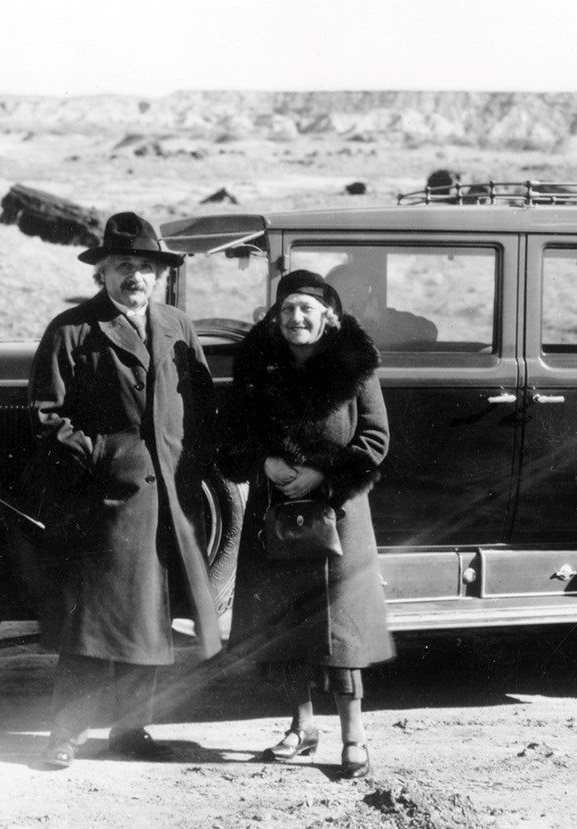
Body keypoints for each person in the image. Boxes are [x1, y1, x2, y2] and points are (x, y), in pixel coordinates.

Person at [25, 211, 221, 769]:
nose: (134, 276)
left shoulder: (177, 326)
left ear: (159, 275)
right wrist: (100, 456)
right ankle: (65, 735)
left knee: (150, 613)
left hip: (169, 495)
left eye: (144, 267)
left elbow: (201, 403)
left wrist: (192, 466)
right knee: (93, 618)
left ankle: (132, 731)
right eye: (123, 266)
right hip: (104, 498)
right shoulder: (72, 329)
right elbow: (47, 414)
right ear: (103, 274)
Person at [217, 270, 394, 780]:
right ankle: (301, 726)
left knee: (341, 631)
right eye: (288, 310)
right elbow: (233, 436)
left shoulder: (355, 370)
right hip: (278, 516)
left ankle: (354, 737)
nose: (296, 319)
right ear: (276, 317)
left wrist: (322, 473)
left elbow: (376, 440)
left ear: (328, 319)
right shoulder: (257, 369)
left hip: (338, 514)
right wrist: (265, 463)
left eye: (307, 311)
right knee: (285, 623)